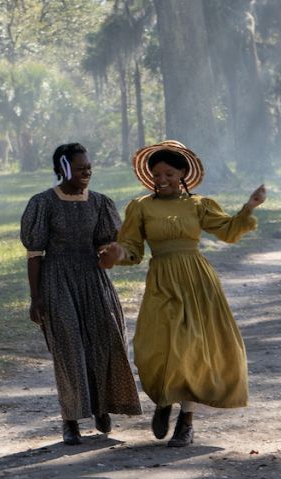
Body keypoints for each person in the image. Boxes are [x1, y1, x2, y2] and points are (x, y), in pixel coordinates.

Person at [99, 140, 267, 447]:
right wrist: (116, 253)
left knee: (194, 349)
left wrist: (250, 206)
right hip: (162, 280)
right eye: (156, 174)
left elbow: (228, 231)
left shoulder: (198, 205)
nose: (162, 180)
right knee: (156, 345)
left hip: (198, 281)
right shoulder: (140, 207)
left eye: (169, 174)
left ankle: (186, 422)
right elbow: (134, 249)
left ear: (183, 175)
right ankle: (164, 399)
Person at [20, 143, 142, 445]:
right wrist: (36, 298)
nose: (87, 171)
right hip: (57, 279)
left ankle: (102, 407)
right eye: (80, 167)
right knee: (69, 349)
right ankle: (71, 420)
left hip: (93, 279)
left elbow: (105, 248)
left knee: (105, 342)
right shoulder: (43, 203)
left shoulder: (100, 203)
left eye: (89, 166)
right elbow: (35, 255)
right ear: (62, 169)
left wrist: (111, 255)